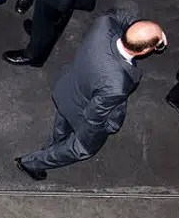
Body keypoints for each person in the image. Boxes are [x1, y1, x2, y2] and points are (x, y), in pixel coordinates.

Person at [16, 13, 167, 178]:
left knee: (62, 123)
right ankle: (30, 163)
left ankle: (54, 144)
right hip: (83, 108)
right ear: (145, 50)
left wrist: (146, 29)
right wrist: (106, 129)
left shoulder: (104, 24)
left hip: (68, 87)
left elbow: (121, 15)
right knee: (81, 150)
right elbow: (94, 116)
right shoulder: (117, 83)